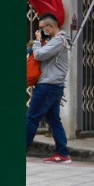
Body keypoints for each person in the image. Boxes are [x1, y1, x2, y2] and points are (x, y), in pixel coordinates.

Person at [26, 13, 71, 163]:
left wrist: (37, 42)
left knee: (32, 118)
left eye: (41, 28)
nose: (39, 31)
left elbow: (39, 55)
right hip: (53, 86)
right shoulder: (57, 41)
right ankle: (63, 153)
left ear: (50, 26)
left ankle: (19, 151)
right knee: (53, 120)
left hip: (48, 86)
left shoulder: (59, 40)